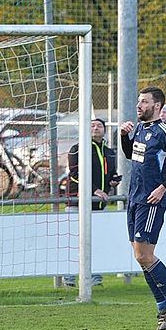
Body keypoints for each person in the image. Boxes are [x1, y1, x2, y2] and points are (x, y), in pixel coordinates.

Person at [119, 86, 166, 330]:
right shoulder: (140, 128)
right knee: (140, 256)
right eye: (139, 101)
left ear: (157, 106)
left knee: (144, 255)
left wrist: (163, 188)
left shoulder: (164, 131)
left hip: (151, 200)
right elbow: (131, 155)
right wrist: (122, 137)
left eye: (144, 102)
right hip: (134, 198)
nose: (139, 106)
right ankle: (163, 306)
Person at [63, 118, 120, 287]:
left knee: (98, 242)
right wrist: (94, 190)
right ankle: (70, 278)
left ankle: (96, 279)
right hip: (77, 204)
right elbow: (75, 174)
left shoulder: (109, 152)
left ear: (104, 130)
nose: (96, 128)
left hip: (99, 206)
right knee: (75, 242)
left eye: (99, 126)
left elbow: (110, 174)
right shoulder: (77, 149)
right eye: (92, 126)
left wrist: (113, 181)